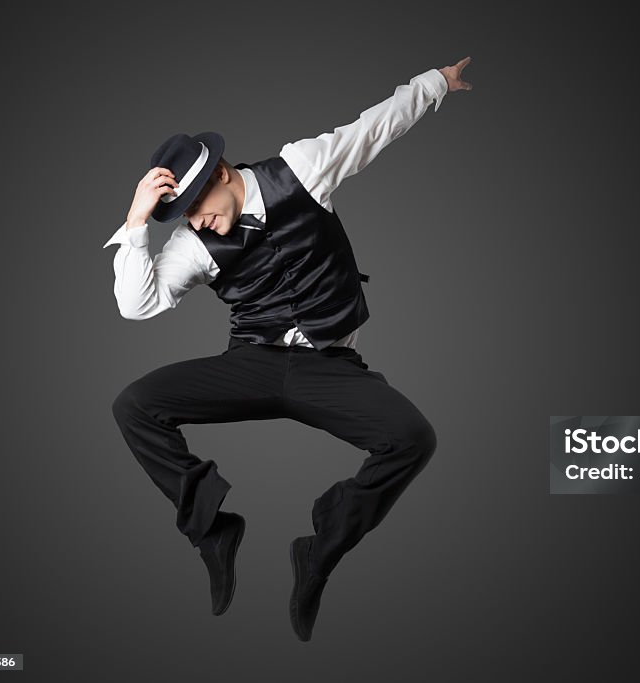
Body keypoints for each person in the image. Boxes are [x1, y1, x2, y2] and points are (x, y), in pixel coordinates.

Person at [104, 58, 473, 641]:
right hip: (253, 362)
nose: (199, 222)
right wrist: (136, 222)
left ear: (224, 173)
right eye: (185, 216)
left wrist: (434, 85)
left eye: (199, 206)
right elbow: (136, 305)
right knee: (134, 404)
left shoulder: (301, 169)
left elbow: (373, 128)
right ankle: (213, 529)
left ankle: (319, 550)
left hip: (328, 364)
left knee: (413, 439)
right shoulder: (190, 244)